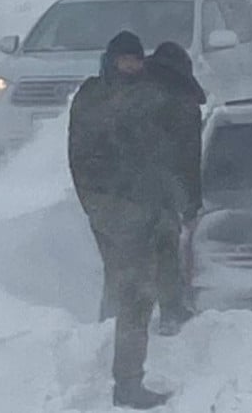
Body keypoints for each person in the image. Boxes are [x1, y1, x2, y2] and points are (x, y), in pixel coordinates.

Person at [67, 31, 176, 409]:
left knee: (133, 292)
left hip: (139, 206)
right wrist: (106, 202)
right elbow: (85, 156)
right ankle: (127, 383)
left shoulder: (146, 94)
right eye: (126, 60)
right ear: (111, 60)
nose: (132, 66)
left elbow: (159, 149)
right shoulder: (95, 97)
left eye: (137, 59)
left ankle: (127, 376)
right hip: (115, 207)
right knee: (136, 292)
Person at [145, 42, 206, 337]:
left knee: (128, 258)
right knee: (165, 248)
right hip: (161, 192)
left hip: (126, 190)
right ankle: (170, 310)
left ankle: (113, 314)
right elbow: (189, 158)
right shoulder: (183, 104)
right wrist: (192, 202)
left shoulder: (133, 94)